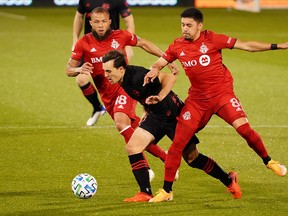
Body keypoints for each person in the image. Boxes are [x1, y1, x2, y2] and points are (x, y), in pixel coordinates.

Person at [143, 7, 287, 202]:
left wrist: (278, 46)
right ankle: (167, 190)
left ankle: (269, 161)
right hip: (197, 102)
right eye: (182, 25)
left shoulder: (212, 39)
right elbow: (160, 62)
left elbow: (246, 46)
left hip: (222, 96)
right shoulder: (177, 45)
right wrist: (153, 69)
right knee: (178, 144)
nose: (184, 29)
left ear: (200, 26)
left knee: (244, 130)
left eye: (189, 25)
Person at [102, 50, 242, 202]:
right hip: (156, 116)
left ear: (121, 69)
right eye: (104, 71)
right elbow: (144, 94)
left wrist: (160, 97)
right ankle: (145, 193)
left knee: (192, 158)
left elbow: (169, 78)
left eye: (108, 71)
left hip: (173, 116)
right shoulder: (123, 81)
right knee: (133, 147)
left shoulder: (138, 76)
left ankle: (229, 179)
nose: (106, 75)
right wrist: (146, 110)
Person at [66, 7, 175, 182]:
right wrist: (80, 68)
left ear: (109, 22)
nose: (100, 25)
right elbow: (68, 69)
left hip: (126, 88)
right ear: (90, 23)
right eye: (96, 22)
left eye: (103, 21)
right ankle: (164, 157)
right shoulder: (83, 43)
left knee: (120, 123)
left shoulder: (120, 36)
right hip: (107, 96)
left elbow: (144, 43)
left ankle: (145, 170)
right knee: (133, 131)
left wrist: (165, 59)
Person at [72, 0, 135, 126]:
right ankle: (97, 108)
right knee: (81, 79)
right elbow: (79, 16)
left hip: (113, 46)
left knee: (116, 80)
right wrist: (75, 38)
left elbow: (129, 21)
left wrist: (128, 45)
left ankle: (123, 109)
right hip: (90, 47)